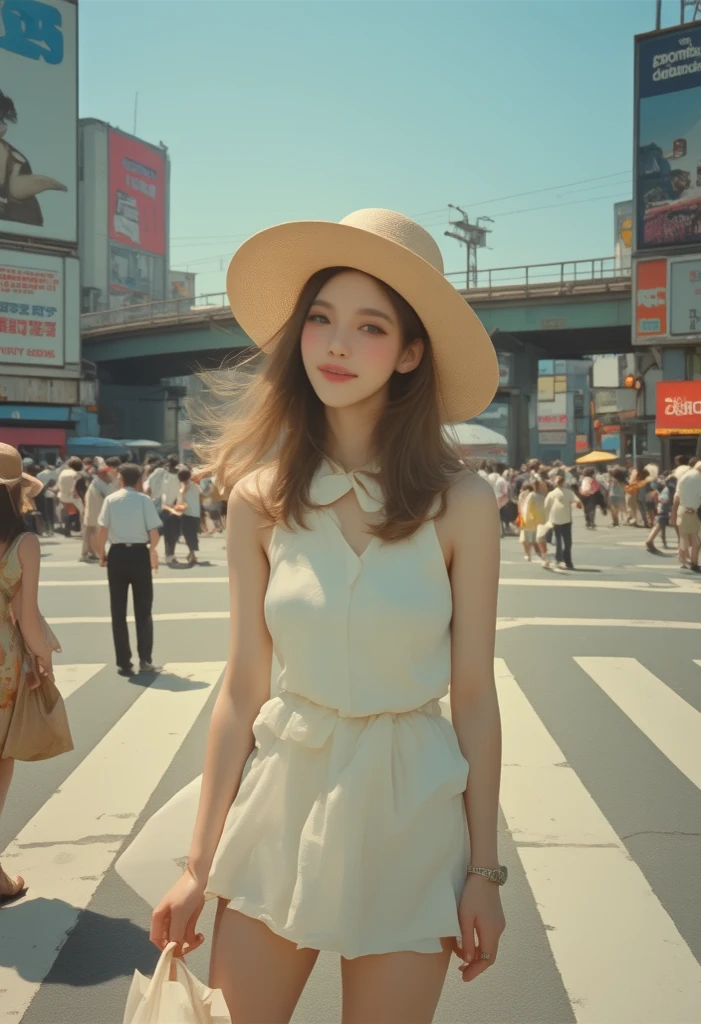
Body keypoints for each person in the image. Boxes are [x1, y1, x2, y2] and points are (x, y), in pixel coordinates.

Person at [116, 208, 507, 1021]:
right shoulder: (259, 498)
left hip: (411, 809)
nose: (334, 344)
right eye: (321, 319)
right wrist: (197, 863)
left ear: (409, 354)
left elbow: (472, 696)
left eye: (369, 327)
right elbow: (241, 688)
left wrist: (482, 872)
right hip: (285, 795)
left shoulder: (462, 503)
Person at [0, 443, 62, 903]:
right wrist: (44, 662)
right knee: (1, 756)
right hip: (3, 660)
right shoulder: (24, 543)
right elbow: (27, 614)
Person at [96, 463, 162, 676]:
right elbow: (154, 533)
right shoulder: (144, 500)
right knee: (143, 609)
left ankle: (124, 661)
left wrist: (102, 555)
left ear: (121, 479)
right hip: (139, 555)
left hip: (117, 555)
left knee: (118, 610)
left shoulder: (111, 499)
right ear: (138, 480)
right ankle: (145, 659)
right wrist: (153, 552)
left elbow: (102, 531)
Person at [146, 455, 182, 565]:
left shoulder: (159, 471)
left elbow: (149, 485)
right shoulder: (179, 475)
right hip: (172, 507)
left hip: (158, 506)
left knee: (156, 532)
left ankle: (149, 552)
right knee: (171, 533)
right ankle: (170, 556)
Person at [82, 463, 120, 562]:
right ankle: (98, 554)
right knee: (96, 533)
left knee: (91, 532)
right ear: (103, 475)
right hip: (96, 512)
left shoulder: (98, 483)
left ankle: (90, 552)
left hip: (94, 512)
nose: (112, 478)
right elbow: (113, 495)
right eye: (110, 475)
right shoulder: (100, 484)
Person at [544, 473, 581, 569]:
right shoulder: (568, 492)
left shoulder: (551, 494)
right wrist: (577, 505)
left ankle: (559, 559)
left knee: (558, 540)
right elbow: (577, 502)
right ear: (564, 483)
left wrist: (546, 519)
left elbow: (546, 506)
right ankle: (568, 561)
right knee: (567, 541)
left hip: (555, 519)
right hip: (566, 519)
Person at [670, 460, 701, 572]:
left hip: (683, 511)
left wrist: (673, 514)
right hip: (690, 511)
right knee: (695, 540)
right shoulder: (696, 478)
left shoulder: (686, 477)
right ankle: (694, 563)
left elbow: (676, 498)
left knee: (685, 538)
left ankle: (684, 560)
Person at [176, 467, 202, 564]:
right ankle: (191, 554)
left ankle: (193, 555)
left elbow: (180, 500)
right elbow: (201, 494)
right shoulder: (195, 485)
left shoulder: (183, 487)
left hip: (187, 514)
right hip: (196, 513)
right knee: (192, 535)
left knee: (188, 535)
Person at [56, 457, 84, 537]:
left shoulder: (63, 472)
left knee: (71, 513)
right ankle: (82, 531)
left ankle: (67, 530)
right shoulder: (77, 474)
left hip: (63, 496)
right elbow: (77, 486)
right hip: (74, 497)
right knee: (83, 513)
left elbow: (59, 484)